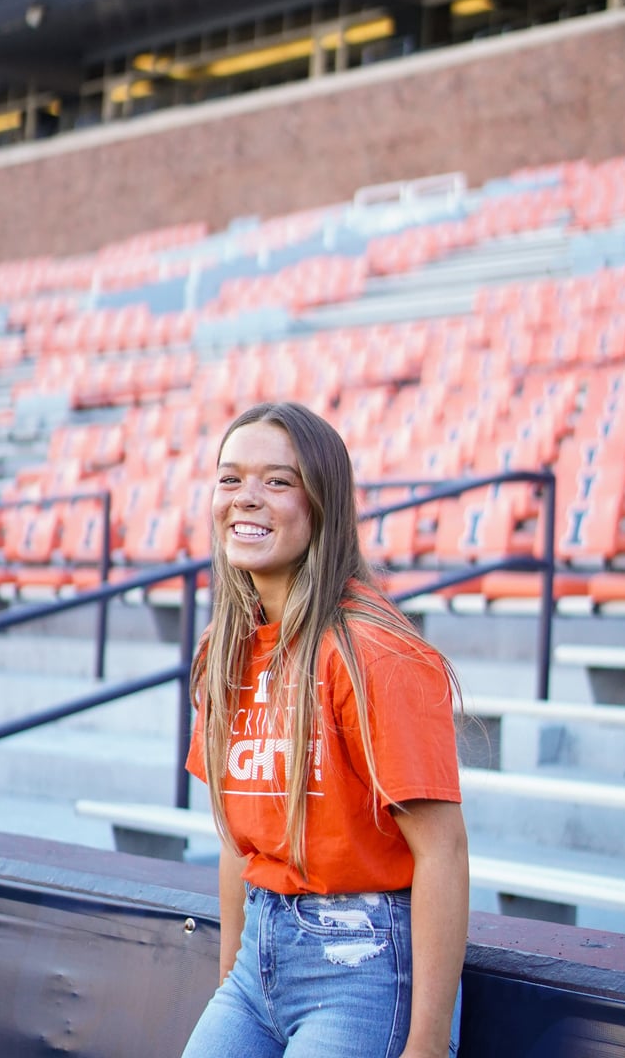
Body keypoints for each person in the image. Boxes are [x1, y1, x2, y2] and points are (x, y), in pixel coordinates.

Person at [182, 401, 469, 1058]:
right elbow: (238, 841)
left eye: (278, 482)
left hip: (363, 965)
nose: (246, 498)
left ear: (321, 504)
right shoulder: (222, 650)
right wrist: (233, 977)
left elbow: (442, 852)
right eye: (230, 479)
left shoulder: (374, 652)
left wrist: (426, 1043)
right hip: (262, 956)